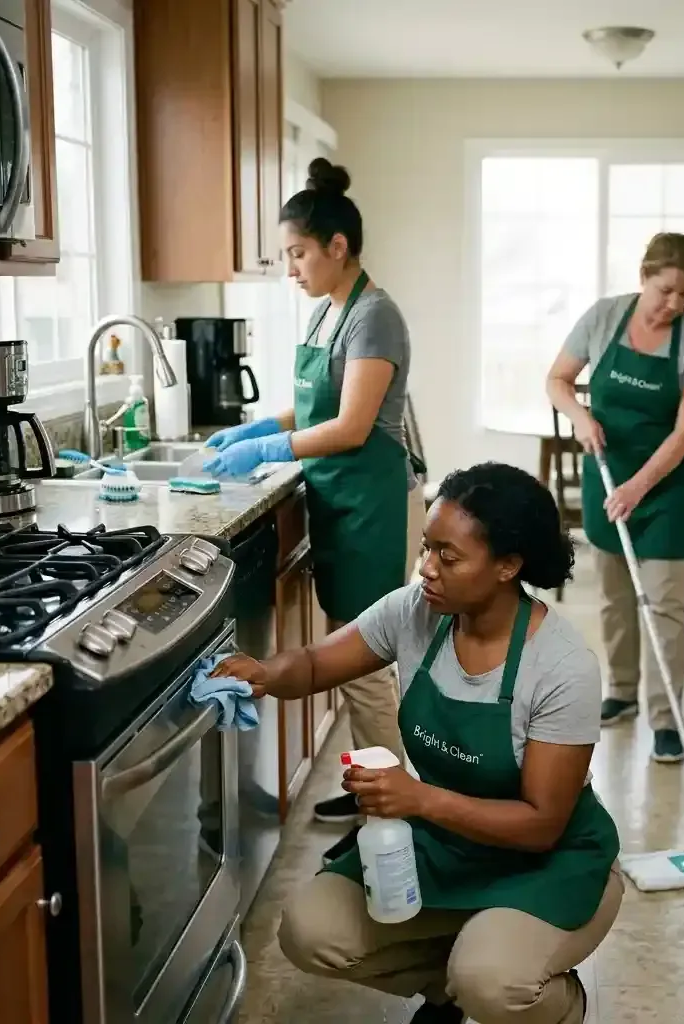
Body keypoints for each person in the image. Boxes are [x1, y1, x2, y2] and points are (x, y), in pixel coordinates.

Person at [213, 462, 622, 1024]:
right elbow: (312, 664)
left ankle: (554, 1005)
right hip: (447, 844)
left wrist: (419, 799)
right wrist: (261, 672)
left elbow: (541, 824)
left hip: (548, 861)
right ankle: (450, 984)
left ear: (508, 565)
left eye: (448, 557)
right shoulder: (415, 612)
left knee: (493, 981)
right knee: (310, 931)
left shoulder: (561, 666)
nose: (427, 568)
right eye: (427, 548)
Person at [203, 157, 426, 863]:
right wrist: (259, 430)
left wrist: (268, 451)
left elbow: (354, 425)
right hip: (338, 499)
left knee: (364, 669)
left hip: (370, 503)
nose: (291, 269)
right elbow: (312, 406)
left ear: (337, 247)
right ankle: (373, 793)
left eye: (298, 254)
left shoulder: (375, 315)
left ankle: (398, 815)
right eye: (286, 256)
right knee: (353, 663)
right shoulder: (330, 312)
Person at [547, 232, 684, 763]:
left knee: (665, 605)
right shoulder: (604, 317)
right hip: (608, 475)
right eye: (665, 289)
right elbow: (558, 379)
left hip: (667, 488)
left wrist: (639, 487)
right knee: (616, 599)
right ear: (644, 275)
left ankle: (666, 719)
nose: (674, 304)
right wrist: (580, 416)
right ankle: (621, 693)